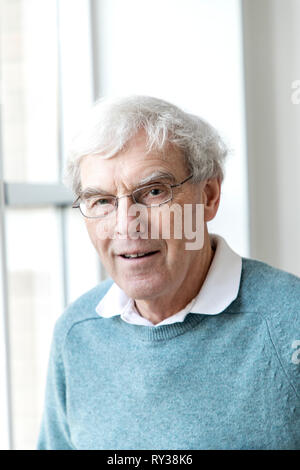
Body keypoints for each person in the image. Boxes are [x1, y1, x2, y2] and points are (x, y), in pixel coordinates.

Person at [37, 95, 300, 450]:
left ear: (208, 196)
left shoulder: (290, 321)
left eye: (154, 192)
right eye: (101, 201)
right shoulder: (76, 333)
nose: (126, 226)